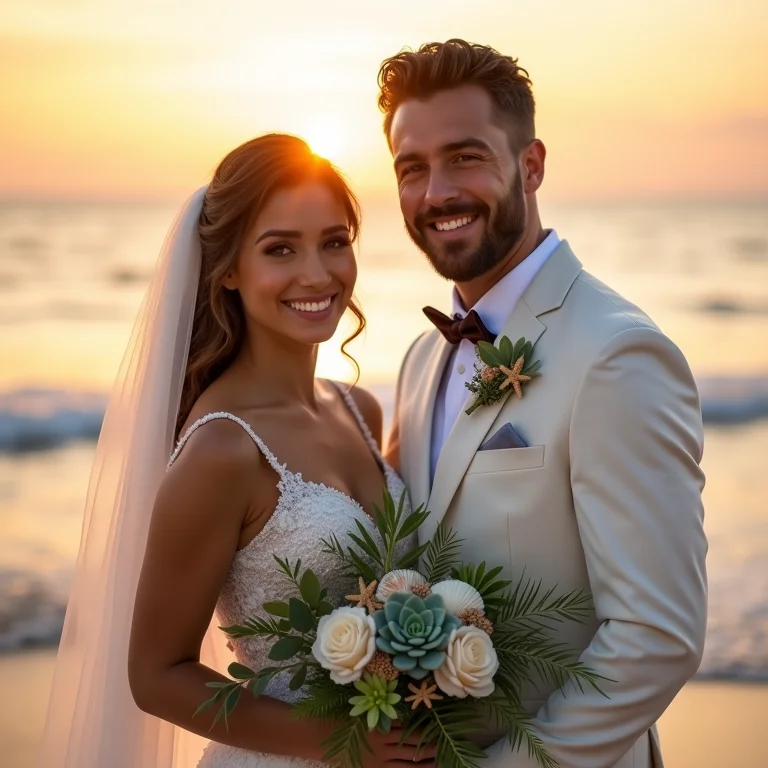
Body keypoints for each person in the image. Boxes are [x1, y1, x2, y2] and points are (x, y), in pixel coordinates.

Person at [38, 134, 431, 768]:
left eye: (334, 242)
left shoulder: (361, 411)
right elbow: (157, 676)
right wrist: (345, 743)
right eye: (280, 249)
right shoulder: (223, 449)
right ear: (227, 270)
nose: (317, 273)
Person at [382, 39, 708, 768]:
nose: (436, 193)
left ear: (531, 166)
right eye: (412, 168)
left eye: (465, 157)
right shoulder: (419, 360)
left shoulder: (618, 354)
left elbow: (656, 637)